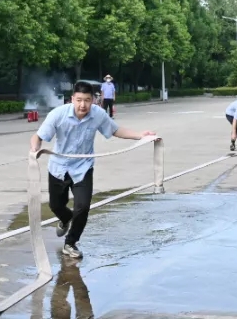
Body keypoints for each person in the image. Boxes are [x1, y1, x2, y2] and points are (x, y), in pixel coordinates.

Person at [31, 81, 156, 260]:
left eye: (87, 100)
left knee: (83, 207)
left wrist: (140, 135)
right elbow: (38, 137)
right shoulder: (58, 114)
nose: (83, 105)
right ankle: (65, 219)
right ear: (72, 99)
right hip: (59, 167)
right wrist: (35, 149)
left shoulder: (98, 114)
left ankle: (70, 243)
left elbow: (115, 130)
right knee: (56, 205)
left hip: (83, 167)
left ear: (94, 100)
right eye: (79, 100)